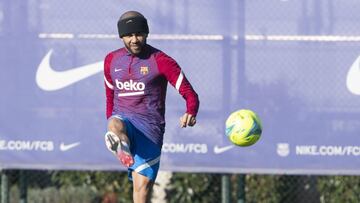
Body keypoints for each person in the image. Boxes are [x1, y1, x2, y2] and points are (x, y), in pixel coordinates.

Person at [103, 11, 200, 203]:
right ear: (121, 36)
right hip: (123, 119)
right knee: (114, 124)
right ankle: (121, 145)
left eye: (139, 34)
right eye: (129, 35)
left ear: (146, 34)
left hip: (149, 130)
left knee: (142, 191)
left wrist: (191, 111)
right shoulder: (111, 61)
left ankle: (122, 145)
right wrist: (109, 119)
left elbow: (190, 93)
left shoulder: (161, 60)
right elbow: (109, 97)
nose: (135, 39)